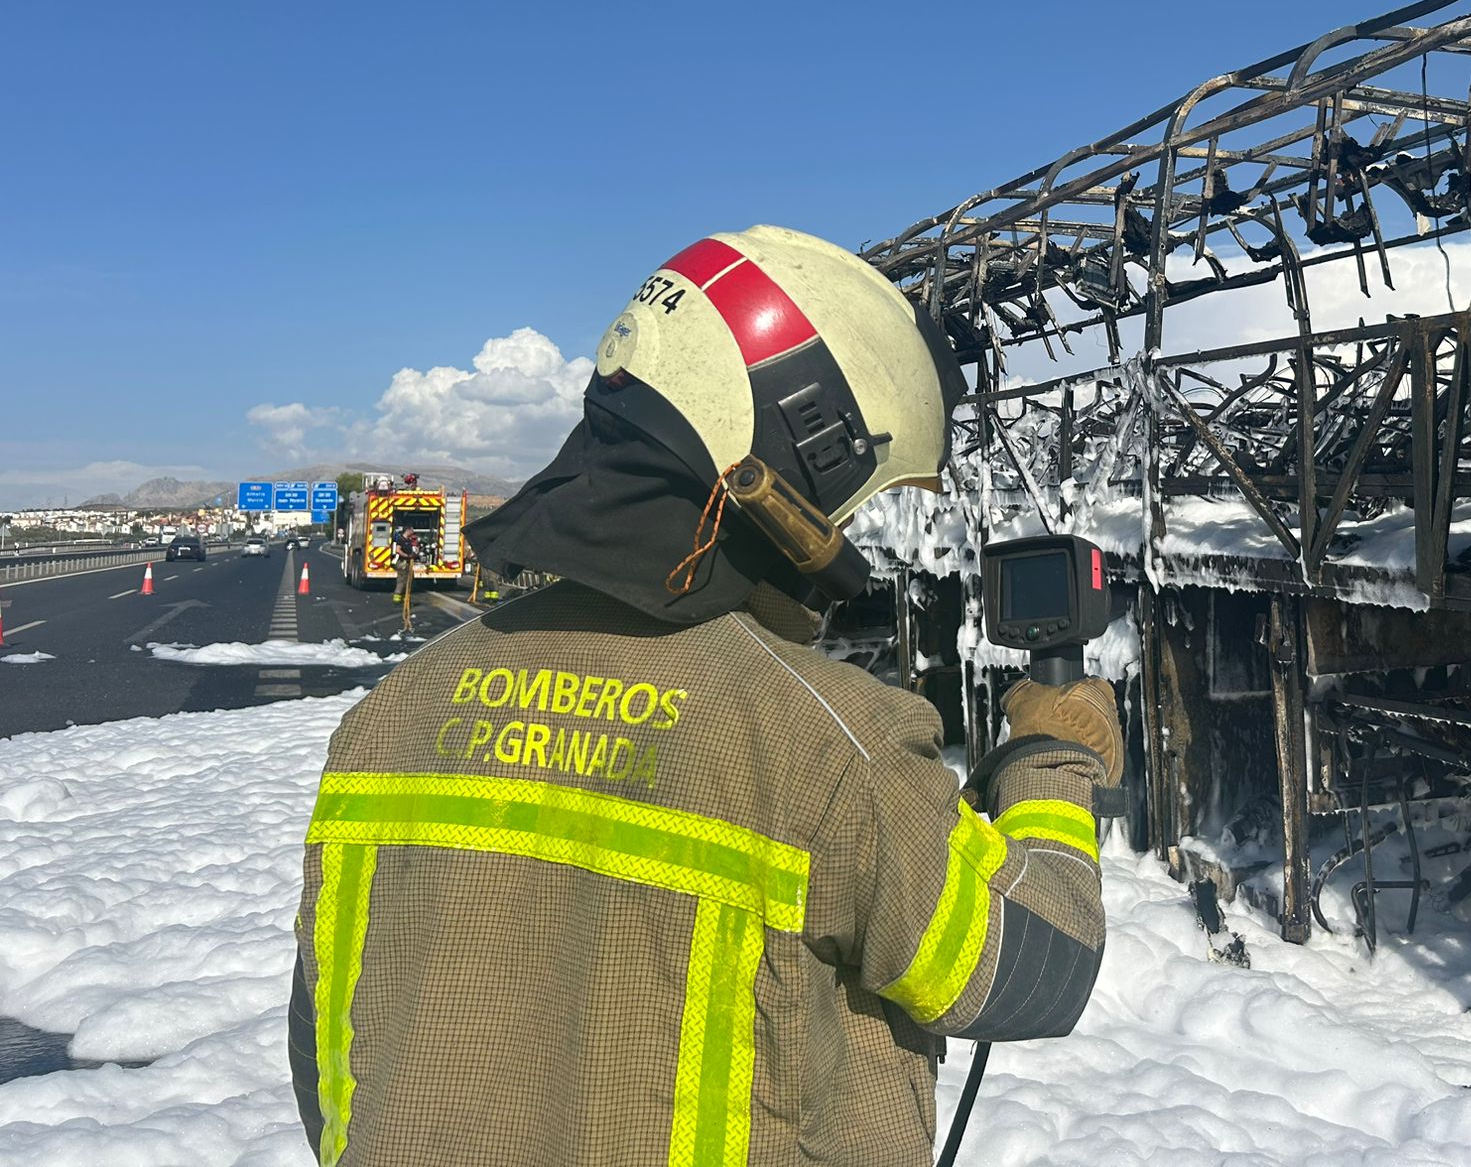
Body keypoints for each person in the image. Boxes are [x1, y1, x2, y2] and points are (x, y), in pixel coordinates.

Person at [288, 225, 1122, 1166]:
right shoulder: (829, 748)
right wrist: (1055, 758)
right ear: (810, 453)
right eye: (856, 500)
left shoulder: (387, 720)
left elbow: (333, 1061)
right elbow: (1036, 969)